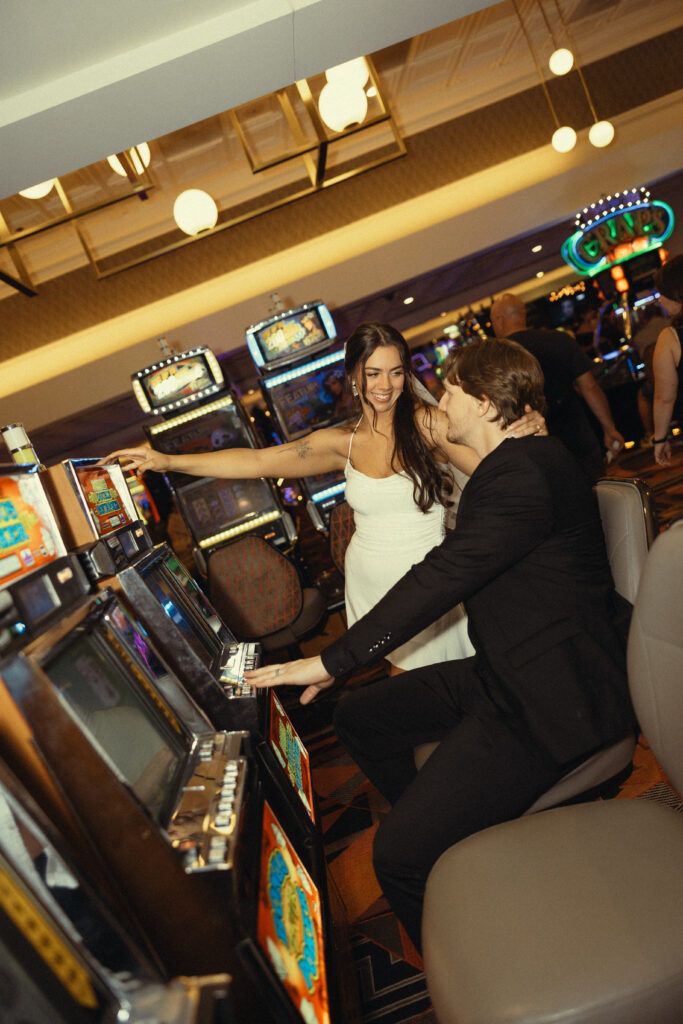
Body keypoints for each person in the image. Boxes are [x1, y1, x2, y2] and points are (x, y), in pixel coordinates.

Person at [245, 337, 636, 950]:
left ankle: (486, 960)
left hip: (552, 702)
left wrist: (328, 658)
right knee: (361, 715)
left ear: (481, 403)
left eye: (449, 387)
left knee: (395, 857)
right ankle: (455, 833)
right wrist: (339, 672)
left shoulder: (524, 476)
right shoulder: (515, 462)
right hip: (510, 671)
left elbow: (441, 576)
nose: (436, 394)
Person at [108, 322, 545, 671]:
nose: (385, 384)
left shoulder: (429, 423)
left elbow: (492, 469)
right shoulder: (343, 442)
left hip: (429, 584)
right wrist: (166, 462)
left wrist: (529, 437)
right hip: (373, 588)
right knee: (411, 688)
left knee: (455, 678)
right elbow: (258, 462)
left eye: (395, 371)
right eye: (372, 372)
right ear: (353, 377)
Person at [490, 293, 624, 482]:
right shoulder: (558, 339)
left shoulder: (495, 359)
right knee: (595, 494)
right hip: (577, 434)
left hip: (534, 446)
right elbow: (589, 387)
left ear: (498, 320)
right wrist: (609, 428)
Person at [651, 255, 683, 467]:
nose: (659, 299)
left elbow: (664, 397)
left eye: (662, 293)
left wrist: (660, 438)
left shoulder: (670, 338)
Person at [631, 300, 670, 439]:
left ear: (645, 318)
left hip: (658, 382)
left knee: (642, 394)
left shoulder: (639, 337)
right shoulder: (671, 325)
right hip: (678, 376)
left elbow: (637, 361)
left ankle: (651, 434)